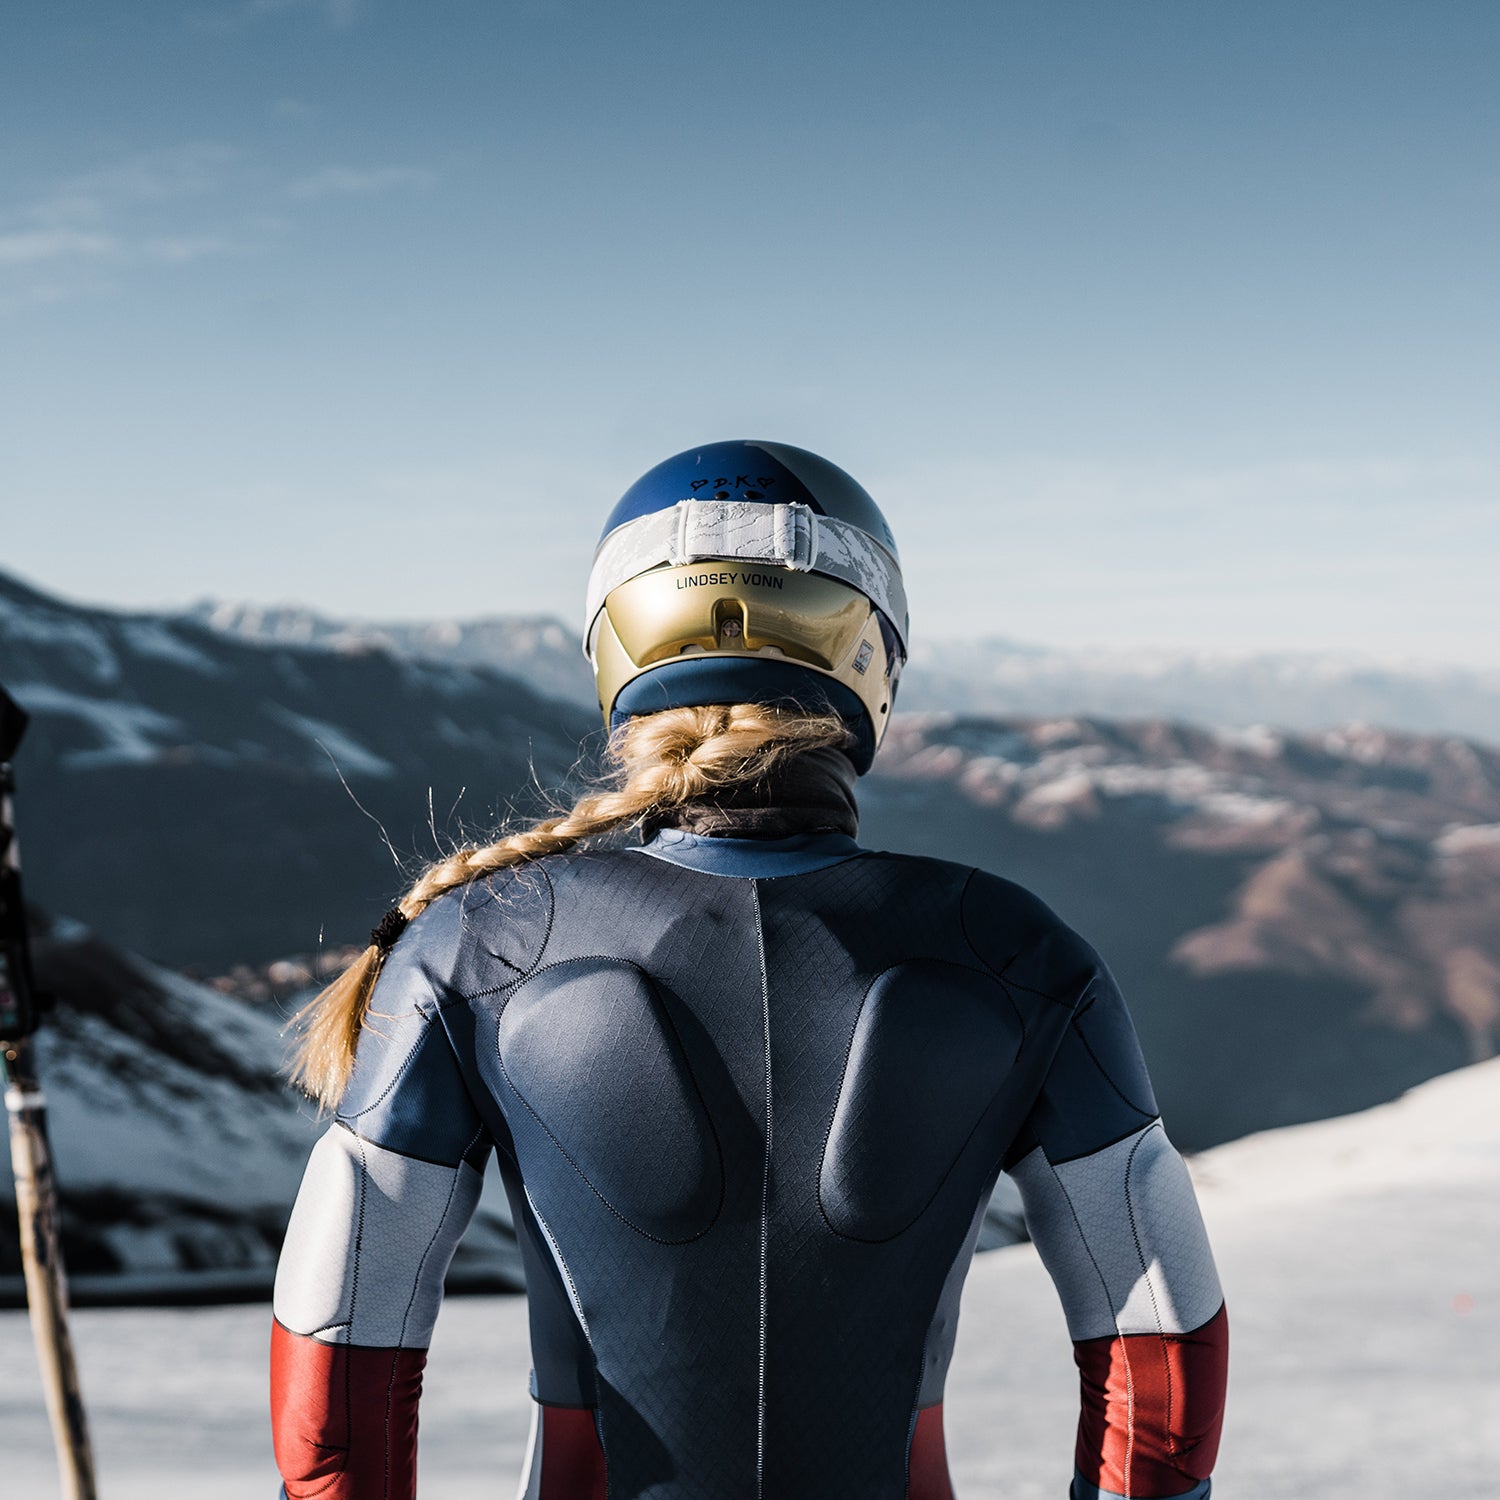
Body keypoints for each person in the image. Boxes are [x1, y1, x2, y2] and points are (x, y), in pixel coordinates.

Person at [270, 440, 1229, 1500]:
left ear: (618, 653)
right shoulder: (1014, 949)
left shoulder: (481, 942)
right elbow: (1160, 1349)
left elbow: (338, 1356)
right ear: (870, 654)